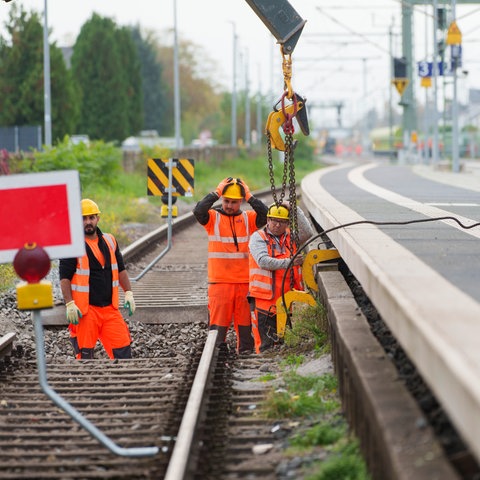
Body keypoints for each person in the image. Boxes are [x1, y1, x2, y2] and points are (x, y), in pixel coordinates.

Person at [193, 177, 268, 354]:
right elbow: (198, 211)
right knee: (217, 329)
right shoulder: (213, 218)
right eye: (226, 201)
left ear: (240, 202)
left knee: (245, 328)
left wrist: (249, 196)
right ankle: (217, 356)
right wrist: (217, 192)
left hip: (245, 284)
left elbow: (265, 214)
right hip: (220, 284)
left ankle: (245, 355)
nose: (229, 205)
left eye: (234, 202)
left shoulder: (249, 219)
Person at [59, 198, 136, 359]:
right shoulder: (72, 245)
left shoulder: (110, 241)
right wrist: (69, 304)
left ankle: (122, 382)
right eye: (83, 218)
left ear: (97, 219)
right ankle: (87, 383)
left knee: (123, 352)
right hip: (86, 312)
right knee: (85, 357)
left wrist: (128, 292)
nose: (88, 222)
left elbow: (121, 269)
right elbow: (64, 277)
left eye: (91, 217)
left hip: (110, 309)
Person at [248, 202, 315, 353]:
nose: (277, 225)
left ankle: (283, 370)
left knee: (286, 343)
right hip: (267, 303)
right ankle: (266, 372)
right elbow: (263, 261)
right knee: (268, 346)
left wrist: (294, 208)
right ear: (268, 220)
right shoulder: (257, 238)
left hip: (288, 301)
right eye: (274, 220)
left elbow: (308, 232)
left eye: (282, 222)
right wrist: (289, 262)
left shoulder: (291, 237)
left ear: (287, 223)